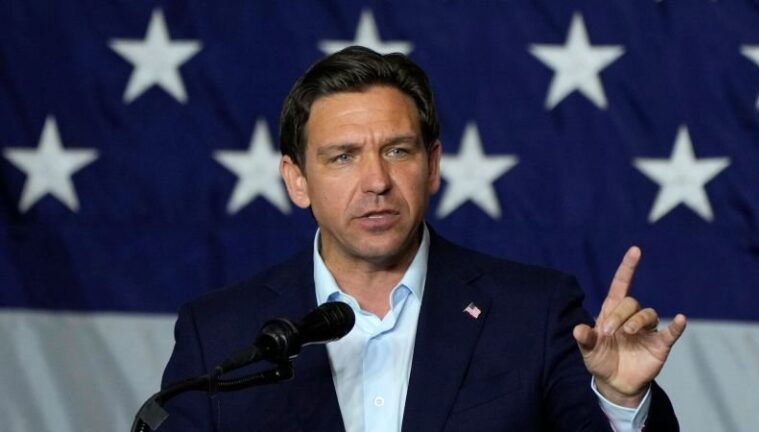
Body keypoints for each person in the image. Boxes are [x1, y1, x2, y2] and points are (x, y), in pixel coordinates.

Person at [158, 46, 687, 431]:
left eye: (397, 150)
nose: (377, 181)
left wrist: (620, 400)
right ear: (297, 180)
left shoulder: (534, 312)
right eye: (343, 157)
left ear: (432, 166)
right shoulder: (220, 335)